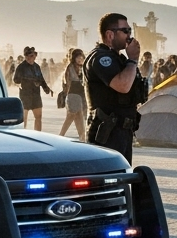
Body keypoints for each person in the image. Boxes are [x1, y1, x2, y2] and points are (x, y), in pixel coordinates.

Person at [83, 12, 146, 162]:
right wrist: (133, 60)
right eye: (125, 31)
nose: (129, 35)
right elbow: (122, 86)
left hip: (122, 131)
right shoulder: (100, 58)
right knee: (107, 180)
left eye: (130, 31)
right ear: (110, 35)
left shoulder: (118, 58)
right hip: (106, 133)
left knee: (122, 179)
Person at [13, 47, 51, 130]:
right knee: (23, 118)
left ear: (35, 56)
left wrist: (46, 88)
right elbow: (15, 80)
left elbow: (41, 79)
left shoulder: (37, 67)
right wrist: (24, 80)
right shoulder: (21, 67)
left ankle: (38, 135)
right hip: (25, 95)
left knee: (38, 116)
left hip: (35, 94)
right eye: (27, 56)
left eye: (31, 56)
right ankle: (23, 135)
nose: (29, 58)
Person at [58, 48, 86, 140]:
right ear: (74, 58)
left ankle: (82, 137)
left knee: (80, 117)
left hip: (82, 95)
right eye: (78, 57)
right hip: (73, 94)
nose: (80, 59)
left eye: (81, 57)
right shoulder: (70, 67)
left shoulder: (84, 67)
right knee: (71, 116)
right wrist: (66, 95)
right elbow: (66, 83)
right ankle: (61, 136)